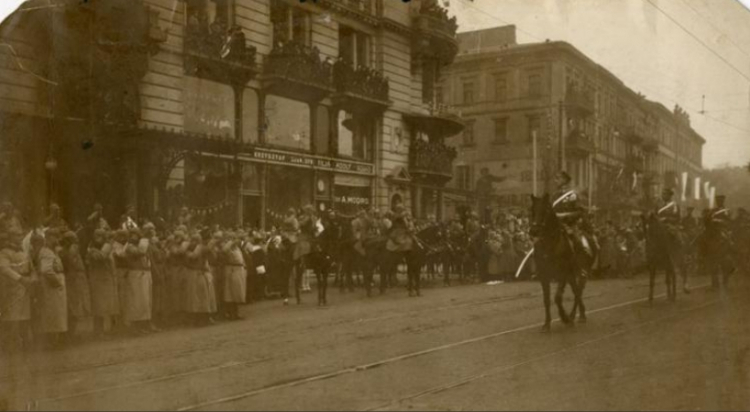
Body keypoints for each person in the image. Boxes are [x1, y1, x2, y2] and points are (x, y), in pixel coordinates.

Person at [0, 228, 38, 353]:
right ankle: (9, 346)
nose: (19, 237)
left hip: (25, 289)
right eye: (17, 235)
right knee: (12, 318)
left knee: (25, 318)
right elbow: (4, 269)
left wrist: (32, 278)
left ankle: (26, 344)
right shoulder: (4, 253)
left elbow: (31, 267)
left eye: (21, 235)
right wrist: (20, 278)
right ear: (10, 237)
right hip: (11, 290)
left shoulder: (24, 252)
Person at [551, 170, 594, 276]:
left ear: (565, 180)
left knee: (580, 242)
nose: (556, 181)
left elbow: (580, 211)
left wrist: (566, 216)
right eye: (555, 178)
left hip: (570, 225)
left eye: (558, 178)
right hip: (556, 225)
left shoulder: (573, 195)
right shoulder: (554, 195)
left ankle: (582, 267)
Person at [32, 229, 68, 348]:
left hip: (54, 285)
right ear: (47, 238)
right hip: (52, 287)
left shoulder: (52, 251)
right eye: (54, 237)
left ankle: (56, 339)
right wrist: (57, 283)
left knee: (57, 313)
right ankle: (53, 341)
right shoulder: (47, 252)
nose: (56, 239)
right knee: (54, 313)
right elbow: (46, 270)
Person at [86, 228, 120, 335]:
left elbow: (100, 256)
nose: (97, 238)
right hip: (96, 279)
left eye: (100, 236)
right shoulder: (92, 247)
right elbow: (89, 260)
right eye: (96, 235)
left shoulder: (106, 246)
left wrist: (92, 251)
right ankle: (98, 329)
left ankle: (113, 328)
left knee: (110, 305)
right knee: (98, 306)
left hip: (106, 279)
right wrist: (92, 251)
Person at [654, 187, 688, 293]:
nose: (663, 195)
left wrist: (667, 219)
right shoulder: (659, 205)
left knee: (678, 237)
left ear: (669, 195)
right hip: (660, 227)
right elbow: (655, 216)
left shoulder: (674, 205)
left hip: (671, 227)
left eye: (665, 194)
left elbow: (677, 218)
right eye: (662, 193)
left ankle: (681, 254)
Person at [59, 231, 92, 340]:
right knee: (72, 306)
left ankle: (72, 333)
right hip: (71, 279)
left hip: (79, 278)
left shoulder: (74, 250)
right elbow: (69, 263)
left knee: (79, 305)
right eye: (72, 240)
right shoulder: (64, 252)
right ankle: (68, 334)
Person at [221, 231, 246, 320]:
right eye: (233, 238)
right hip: (232, 269)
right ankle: (231, 314)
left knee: (237, 293)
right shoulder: (228, 247)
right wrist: (231, 241)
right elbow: (224, 250)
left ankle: (236, 313)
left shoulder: (237, 248)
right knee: (230, 293)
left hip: (239, 269)